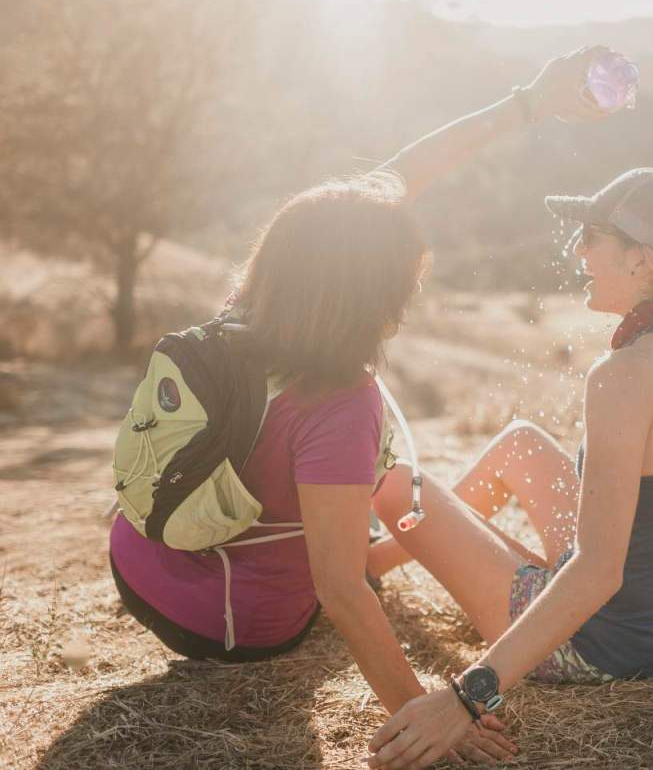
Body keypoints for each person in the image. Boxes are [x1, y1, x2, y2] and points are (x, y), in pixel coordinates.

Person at [106, 46, 613, 764]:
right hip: (232, 626)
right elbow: (339, 591)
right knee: (372, 500)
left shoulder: (246, 311)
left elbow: (406, 171)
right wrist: (424, 714)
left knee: (342, 485)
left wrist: (530, 102)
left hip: (135, 564)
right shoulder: (342, 405)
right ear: (369, 296)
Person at [365, 168, 653, 769]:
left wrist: (466, 699)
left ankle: (363, 564)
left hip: (597, 646)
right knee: (520, 443)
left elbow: (598, 572)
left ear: (641, 261)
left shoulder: (626, 373)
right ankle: (374, 566)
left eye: (593, 236)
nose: (577, 251)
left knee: (395, 486)